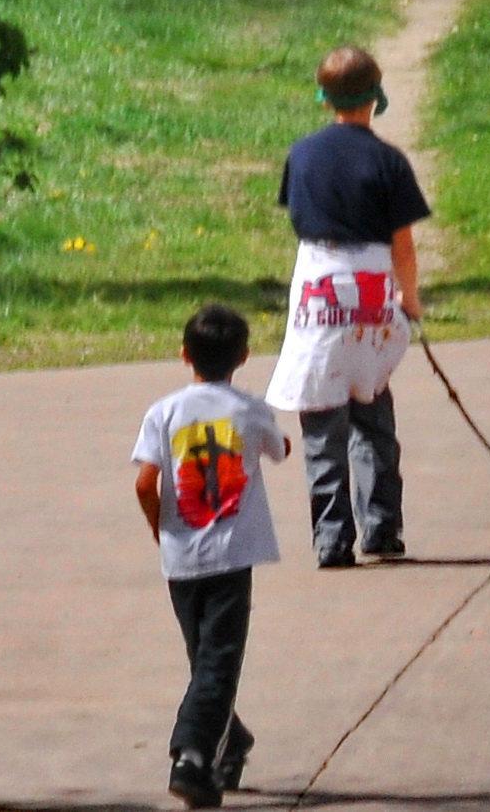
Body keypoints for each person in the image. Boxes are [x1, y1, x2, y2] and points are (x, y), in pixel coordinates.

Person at [267, 47, 429, 567]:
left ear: (323, 98)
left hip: (318, 295)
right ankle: (381, 528)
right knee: (373, 413)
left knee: (322, 423)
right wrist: (412, 300)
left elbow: (300, 220)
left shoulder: (302, 154)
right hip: (373, 301)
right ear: (377, 98)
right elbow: (401, 245)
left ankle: (331, 539)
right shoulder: (388, 161)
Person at [133, 303, 290, 809]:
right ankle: (193, 756)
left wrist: (161, 526)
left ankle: (230, 740)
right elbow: (280, 449)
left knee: (205, 659)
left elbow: (143, 482)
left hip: (181, 557)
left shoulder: (163, 412)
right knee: (217, 663)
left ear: (184, 355)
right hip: (230, 555)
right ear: (243, 356)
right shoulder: (248, 408)